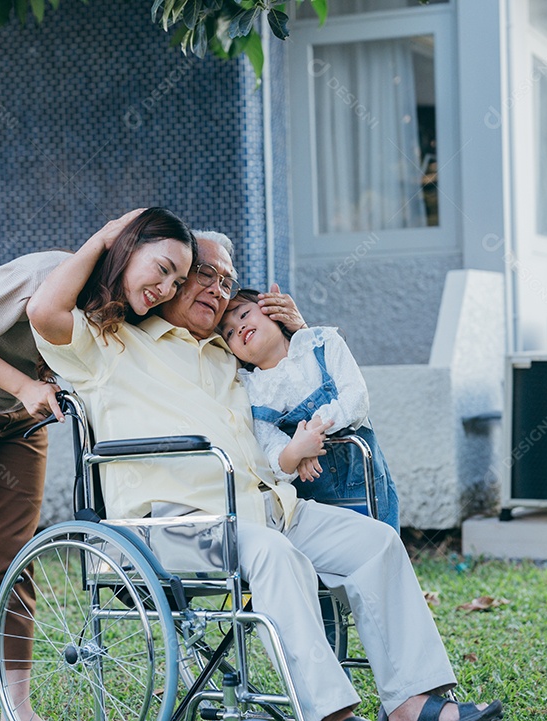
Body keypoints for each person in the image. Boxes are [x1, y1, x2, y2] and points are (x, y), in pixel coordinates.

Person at [28, 229, 504, 721]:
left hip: (267, 509)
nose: (219, 290)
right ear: (171, 283)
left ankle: (411, 702)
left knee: (376, 544)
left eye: (227, 282)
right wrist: (110, 238)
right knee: (273, 553)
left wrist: (300, 335)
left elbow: (305, 381)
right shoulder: (112, 344)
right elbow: (44, 311)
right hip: (173, 529)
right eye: (205, 275)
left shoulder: (229, 354)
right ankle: (333, 715)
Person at [0, 207, 195, 721]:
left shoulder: (125, 307)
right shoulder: (42, 274)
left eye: (178, 280)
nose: (168, 287)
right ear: (127, 249)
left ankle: (18, 705)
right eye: (163, 268)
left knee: (16, 560)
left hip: (21, 417)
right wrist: (22, 385)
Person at [219, 288, 401, 532]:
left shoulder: (323, 344)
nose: (239, 327)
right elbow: (270, 450)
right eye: (229, 332)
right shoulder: (254, 392)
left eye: (243, 315)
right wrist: (295, 452)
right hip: (312, 502)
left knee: (382, 548)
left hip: (365, 484)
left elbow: (355, 399)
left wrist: (311, 434)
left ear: (273, 310)